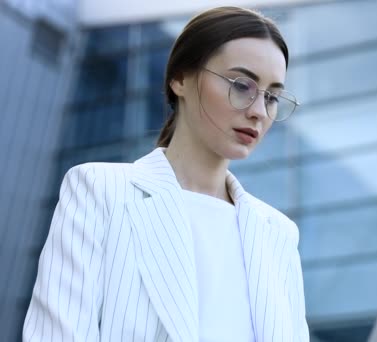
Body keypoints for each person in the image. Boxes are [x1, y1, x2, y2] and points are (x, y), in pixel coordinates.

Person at [23, 6, 309, 342]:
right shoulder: (99, 191)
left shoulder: (278, 234)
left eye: (272, 96)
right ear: (180, 78)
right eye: (242, 85)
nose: (259, 112)